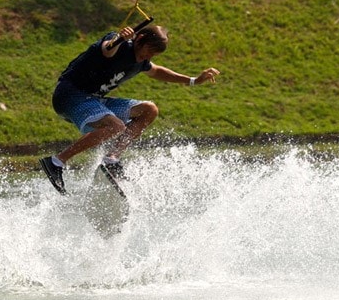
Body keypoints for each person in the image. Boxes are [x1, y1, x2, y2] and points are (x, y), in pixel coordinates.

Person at [39, 25, 220, 194]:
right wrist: (119, 39)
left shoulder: (141, 61)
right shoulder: (118, 43)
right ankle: (56, 161)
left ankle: (112, 159)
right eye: (148, 51)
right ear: (139, 38)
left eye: (153, 55)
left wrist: (193, 80)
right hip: (69, 95)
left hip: (94, 100)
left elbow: (157, 71)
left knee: (149, 110)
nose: (148, 57)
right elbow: (107, 50)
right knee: (116, 126)